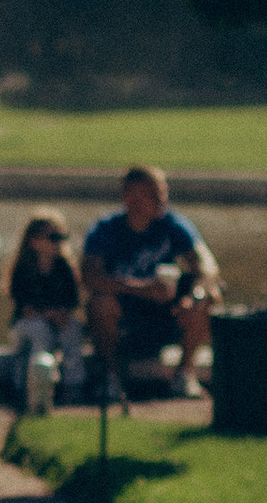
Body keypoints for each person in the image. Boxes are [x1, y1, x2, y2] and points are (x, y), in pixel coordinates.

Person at [80, 166, 221, 394]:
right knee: (99, 303)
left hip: (168, 312)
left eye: (163, 192)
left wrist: (193, 295)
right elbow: (90, 276)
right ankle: (111, 378)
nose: (161, 199)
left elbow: (208, 266)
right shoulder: (106, 229)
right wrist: (144, 289)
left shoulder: (173, 224)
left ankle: (185, 375)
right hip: (126, 314)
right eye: (153, 194)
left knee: (208, 296)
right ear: (130, 198)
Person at [4, 209, 85, 415]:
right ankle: (31, 388)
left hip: (55, 320)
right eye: (52, 237)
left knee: (72, 329)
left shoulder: (64, 268)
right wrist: (50, 314)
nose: (57, 243)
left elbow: (72, 302)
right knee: (40, 331)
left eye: (61, 237)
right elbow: (26, 308)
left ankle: (72, 384)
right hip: (27, 324)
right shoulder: (23, 269)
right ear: (34, 241)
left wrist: (61, 315)